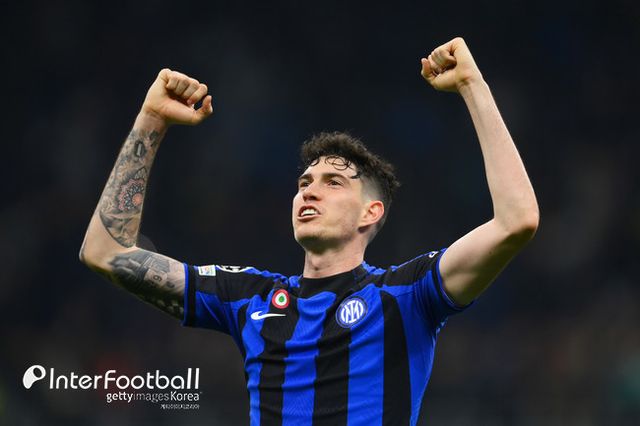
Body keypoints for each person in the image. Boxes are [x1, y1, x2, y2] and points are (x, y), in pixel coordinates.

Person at [80, 37, 539, 425]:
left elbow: (516, 221)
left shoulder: (407, 296)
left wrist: (472, 86)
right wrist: (152, 118)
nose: (309, 191)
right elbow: (104, 252)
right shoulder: (249, 299)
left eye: (333, 182)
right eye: (304, 183)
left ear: (371, 213)